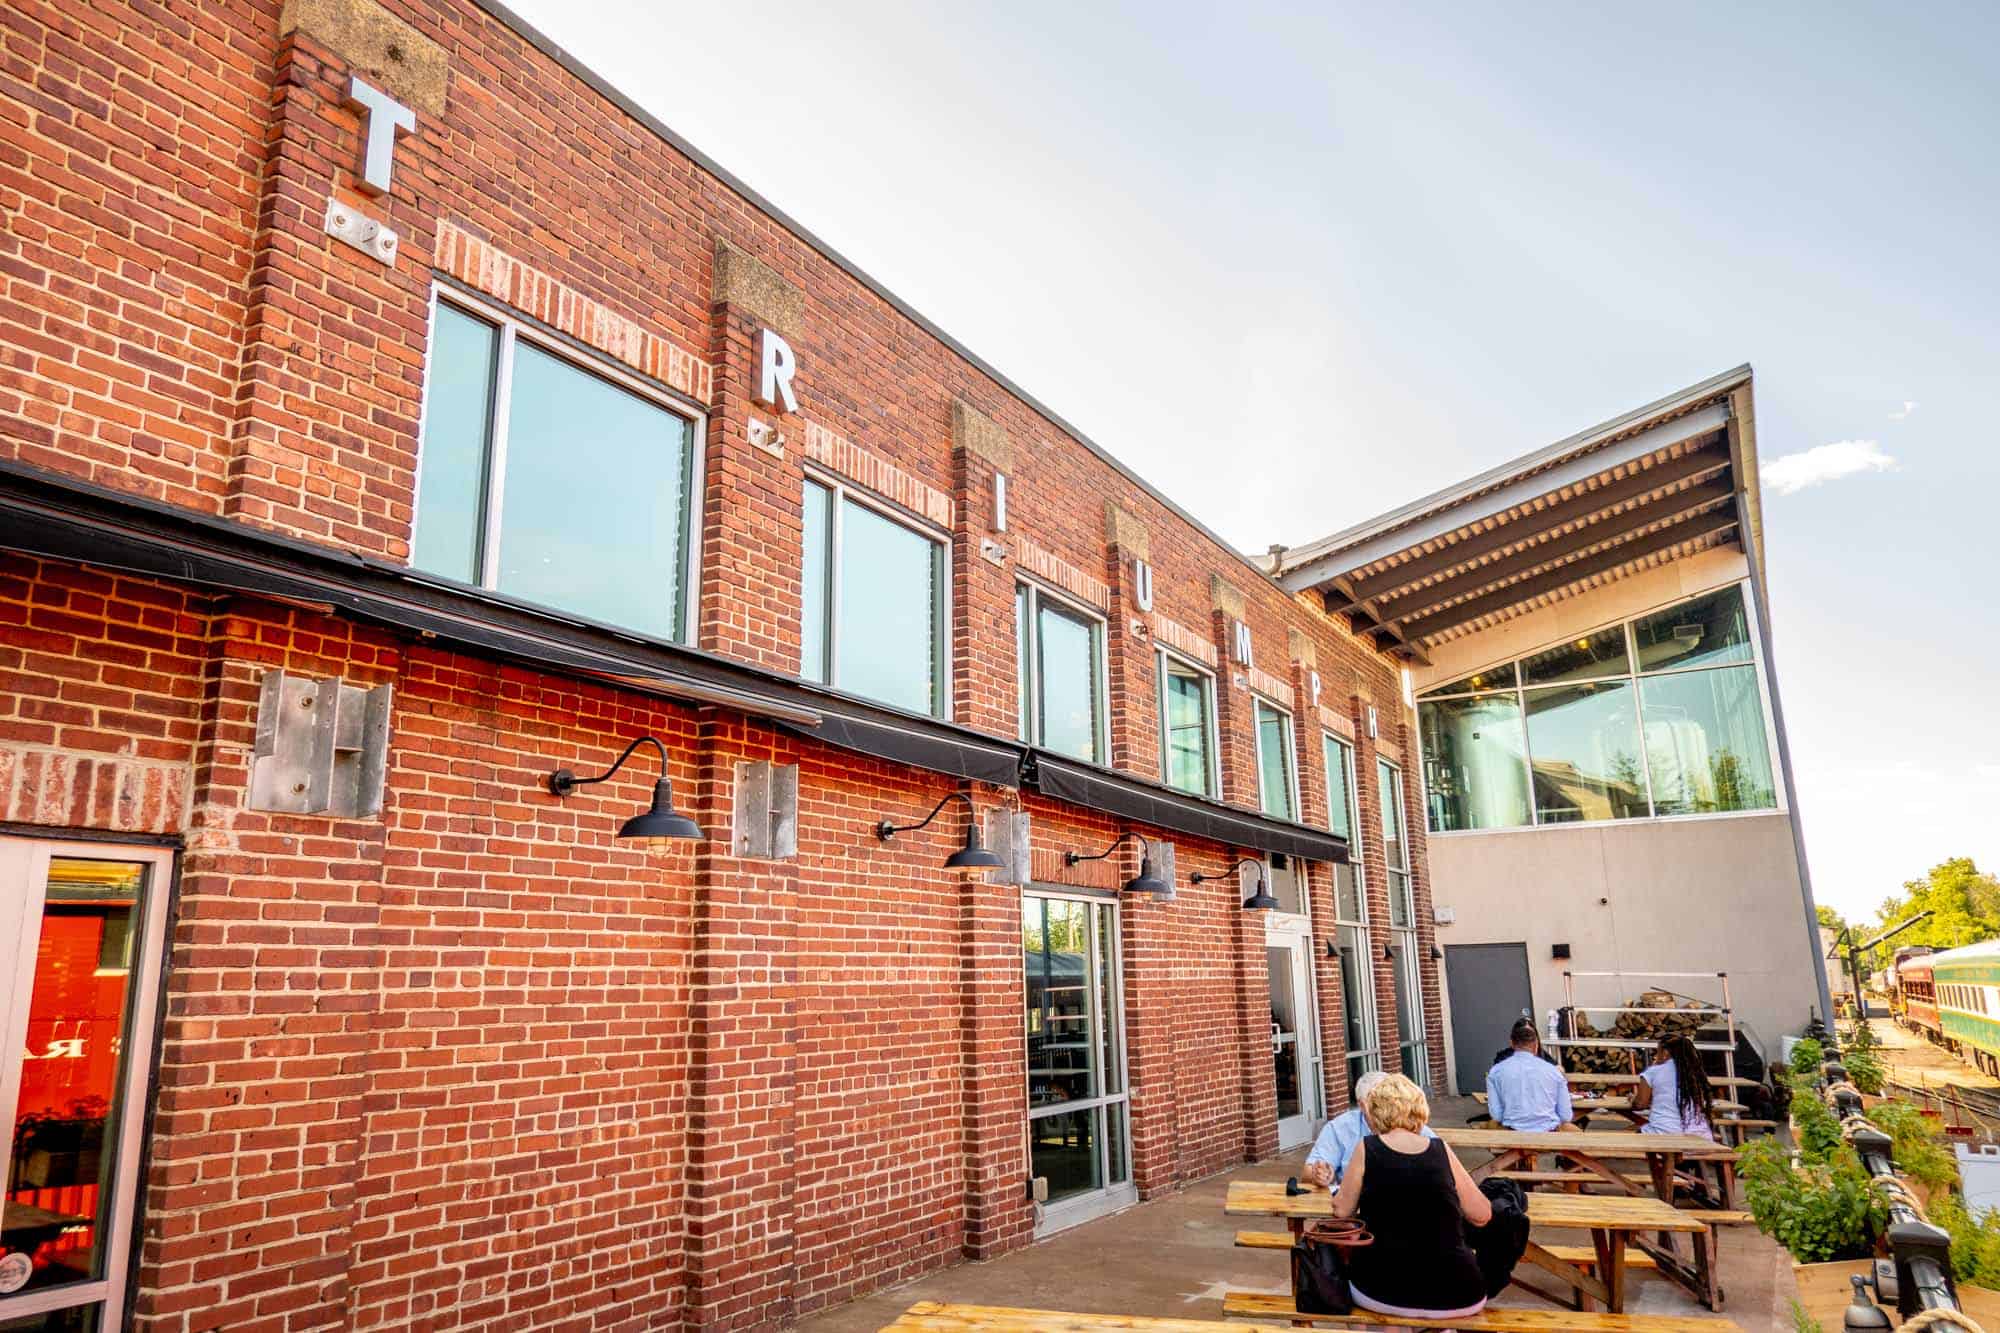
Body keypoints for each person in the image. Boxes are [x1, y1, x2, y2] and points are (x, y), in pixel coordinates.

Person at [1330, 1073, 1492, 1320]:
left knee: (1367, 1312)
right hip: (1457, 1290)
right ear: (1419, 1110)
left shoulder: (1367, 1148)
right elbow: (1482, 1215)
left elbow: (1342, 1211)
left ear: (1374, 1113)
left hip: (1381, 1288)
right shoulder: (1440, 1150)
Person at [1302, 1069, 1435, 1187]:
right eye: (1375, 1104)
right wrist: (1319, 1175)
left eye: (1389, 1101)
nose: (1385, 1109)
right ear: (1361, 1105)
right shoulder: (1340, 1128)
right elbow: (1308, 1172)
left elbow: (1444, 1166)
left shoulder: (1412, 1125)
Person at [1486, 1018, 1579, 1133]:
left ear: (1512, 1043)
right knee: (1575, 1133)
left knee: (1490, 1126)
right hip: (1549, 1133)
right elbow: (1566, 1116)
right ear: (1536, 1045)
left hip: (1513, 1133)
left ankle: (1522, 1152)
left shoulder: (1495, 1071)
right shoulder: (1554, 1071)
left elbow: (1497, 1115)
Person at [1632, 1032, 1716, 1140]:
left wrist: (1633, 1100)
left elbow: (1640, 1104)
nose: (1656, 1056)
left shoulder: (1653, 1072)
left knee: (1637, 1136)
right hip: (1701, 1138)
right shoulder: (1695, 1073)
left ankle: (1668, 1157)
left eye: (1658, 1052)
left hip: (1664, 1134)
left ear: (1665, 1052)